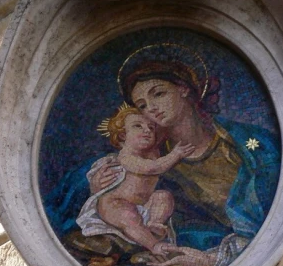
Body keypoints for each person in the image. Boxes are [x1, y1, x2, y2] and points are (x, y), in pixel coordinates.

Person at [85, 46, 281, 266]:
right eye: (142, 106)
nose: (152, 109)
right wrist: (97, 188)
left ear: (183, 89)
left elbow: (273, 225)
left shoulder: (249, 145)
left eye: (158, 94)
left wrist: (209, 260)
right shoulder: (149, 159)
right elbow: (125, 211)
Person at [76, 105, 195, 256]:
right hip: (115, 204)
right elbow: (152, 168)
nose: (147, 130)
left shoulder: (153, 152)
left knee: (163, 196)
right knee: (129, 216)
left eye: (151, 128)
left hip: (143, 206)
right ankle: (154, 245)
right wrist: (175, 154)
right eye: (137, 126)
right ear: (123, 135)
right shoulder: (127, 156)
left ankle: (155, 224)